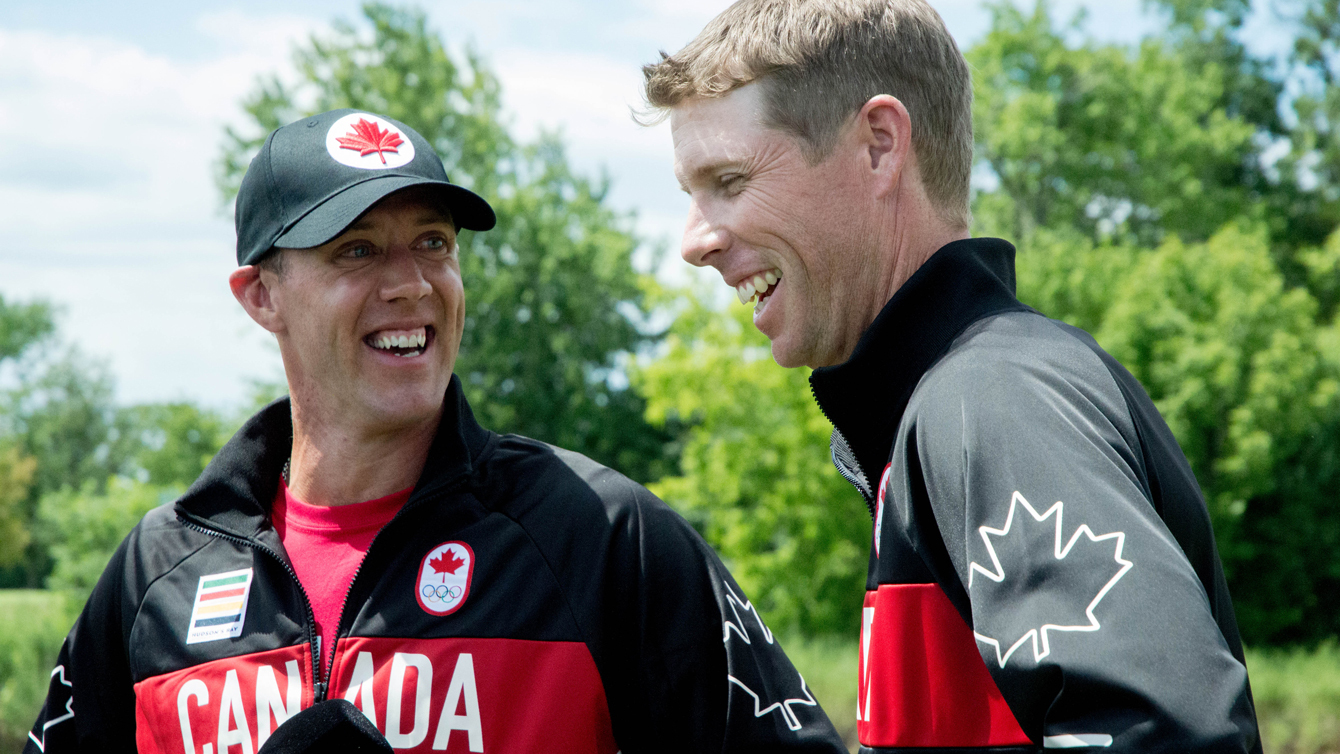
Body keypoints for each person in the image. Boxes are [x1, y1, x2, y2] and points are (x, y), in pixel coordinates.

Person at [24, 109, 848, 754]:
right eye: (357, 252)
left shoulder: (602, 535)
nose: (412, 283)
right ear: (260, 296)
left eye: (433, 244)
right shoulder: (155, 574)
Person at [643, 0, 1261, 751]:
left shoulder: (990, 400)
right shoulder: (934, 419)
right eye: (690, 195)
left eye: (730, 180)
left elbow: (1172, 738)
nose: (693, 243)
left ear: (879, 146)